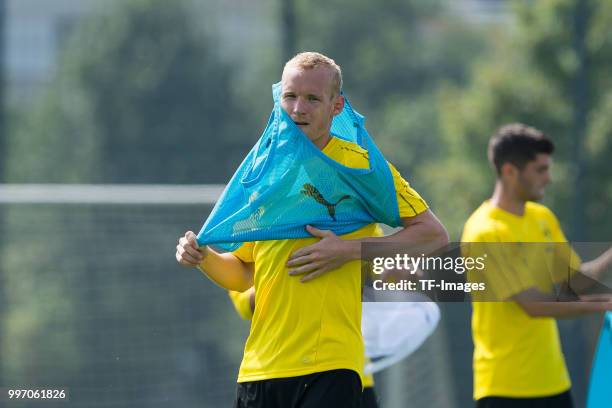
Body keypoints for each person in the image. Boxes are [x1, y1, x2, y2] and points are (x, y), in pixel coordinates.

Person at [176, 52, 448, 408]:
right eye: (290, 96)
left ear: (336, 107)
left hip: (331, 367)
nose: (298, 108)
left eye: (312, 99)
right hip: (259, 372)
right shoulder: (262, 174)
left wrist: (347, 251)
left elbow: (432, 235)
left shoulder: (361, 165)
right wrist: (203, 258)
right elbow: (243, 275)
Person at [461, 123, 612, 408]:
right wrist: (604, 303)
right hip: (504, 389)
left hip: (554, 383)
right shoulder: (485, 232)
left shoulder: (542, 218)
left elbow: (575, 283)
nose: (549, 178)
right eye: (540, 170)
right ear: (509, 171)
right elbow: (534, 305)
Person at [227, 288, 380, 408]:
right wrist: (279, 272)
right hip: (272, 373)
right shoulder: (247, 250)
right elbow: (244, 304)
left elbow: (376, 280)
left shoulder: (347, 248)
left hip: (341, 370)